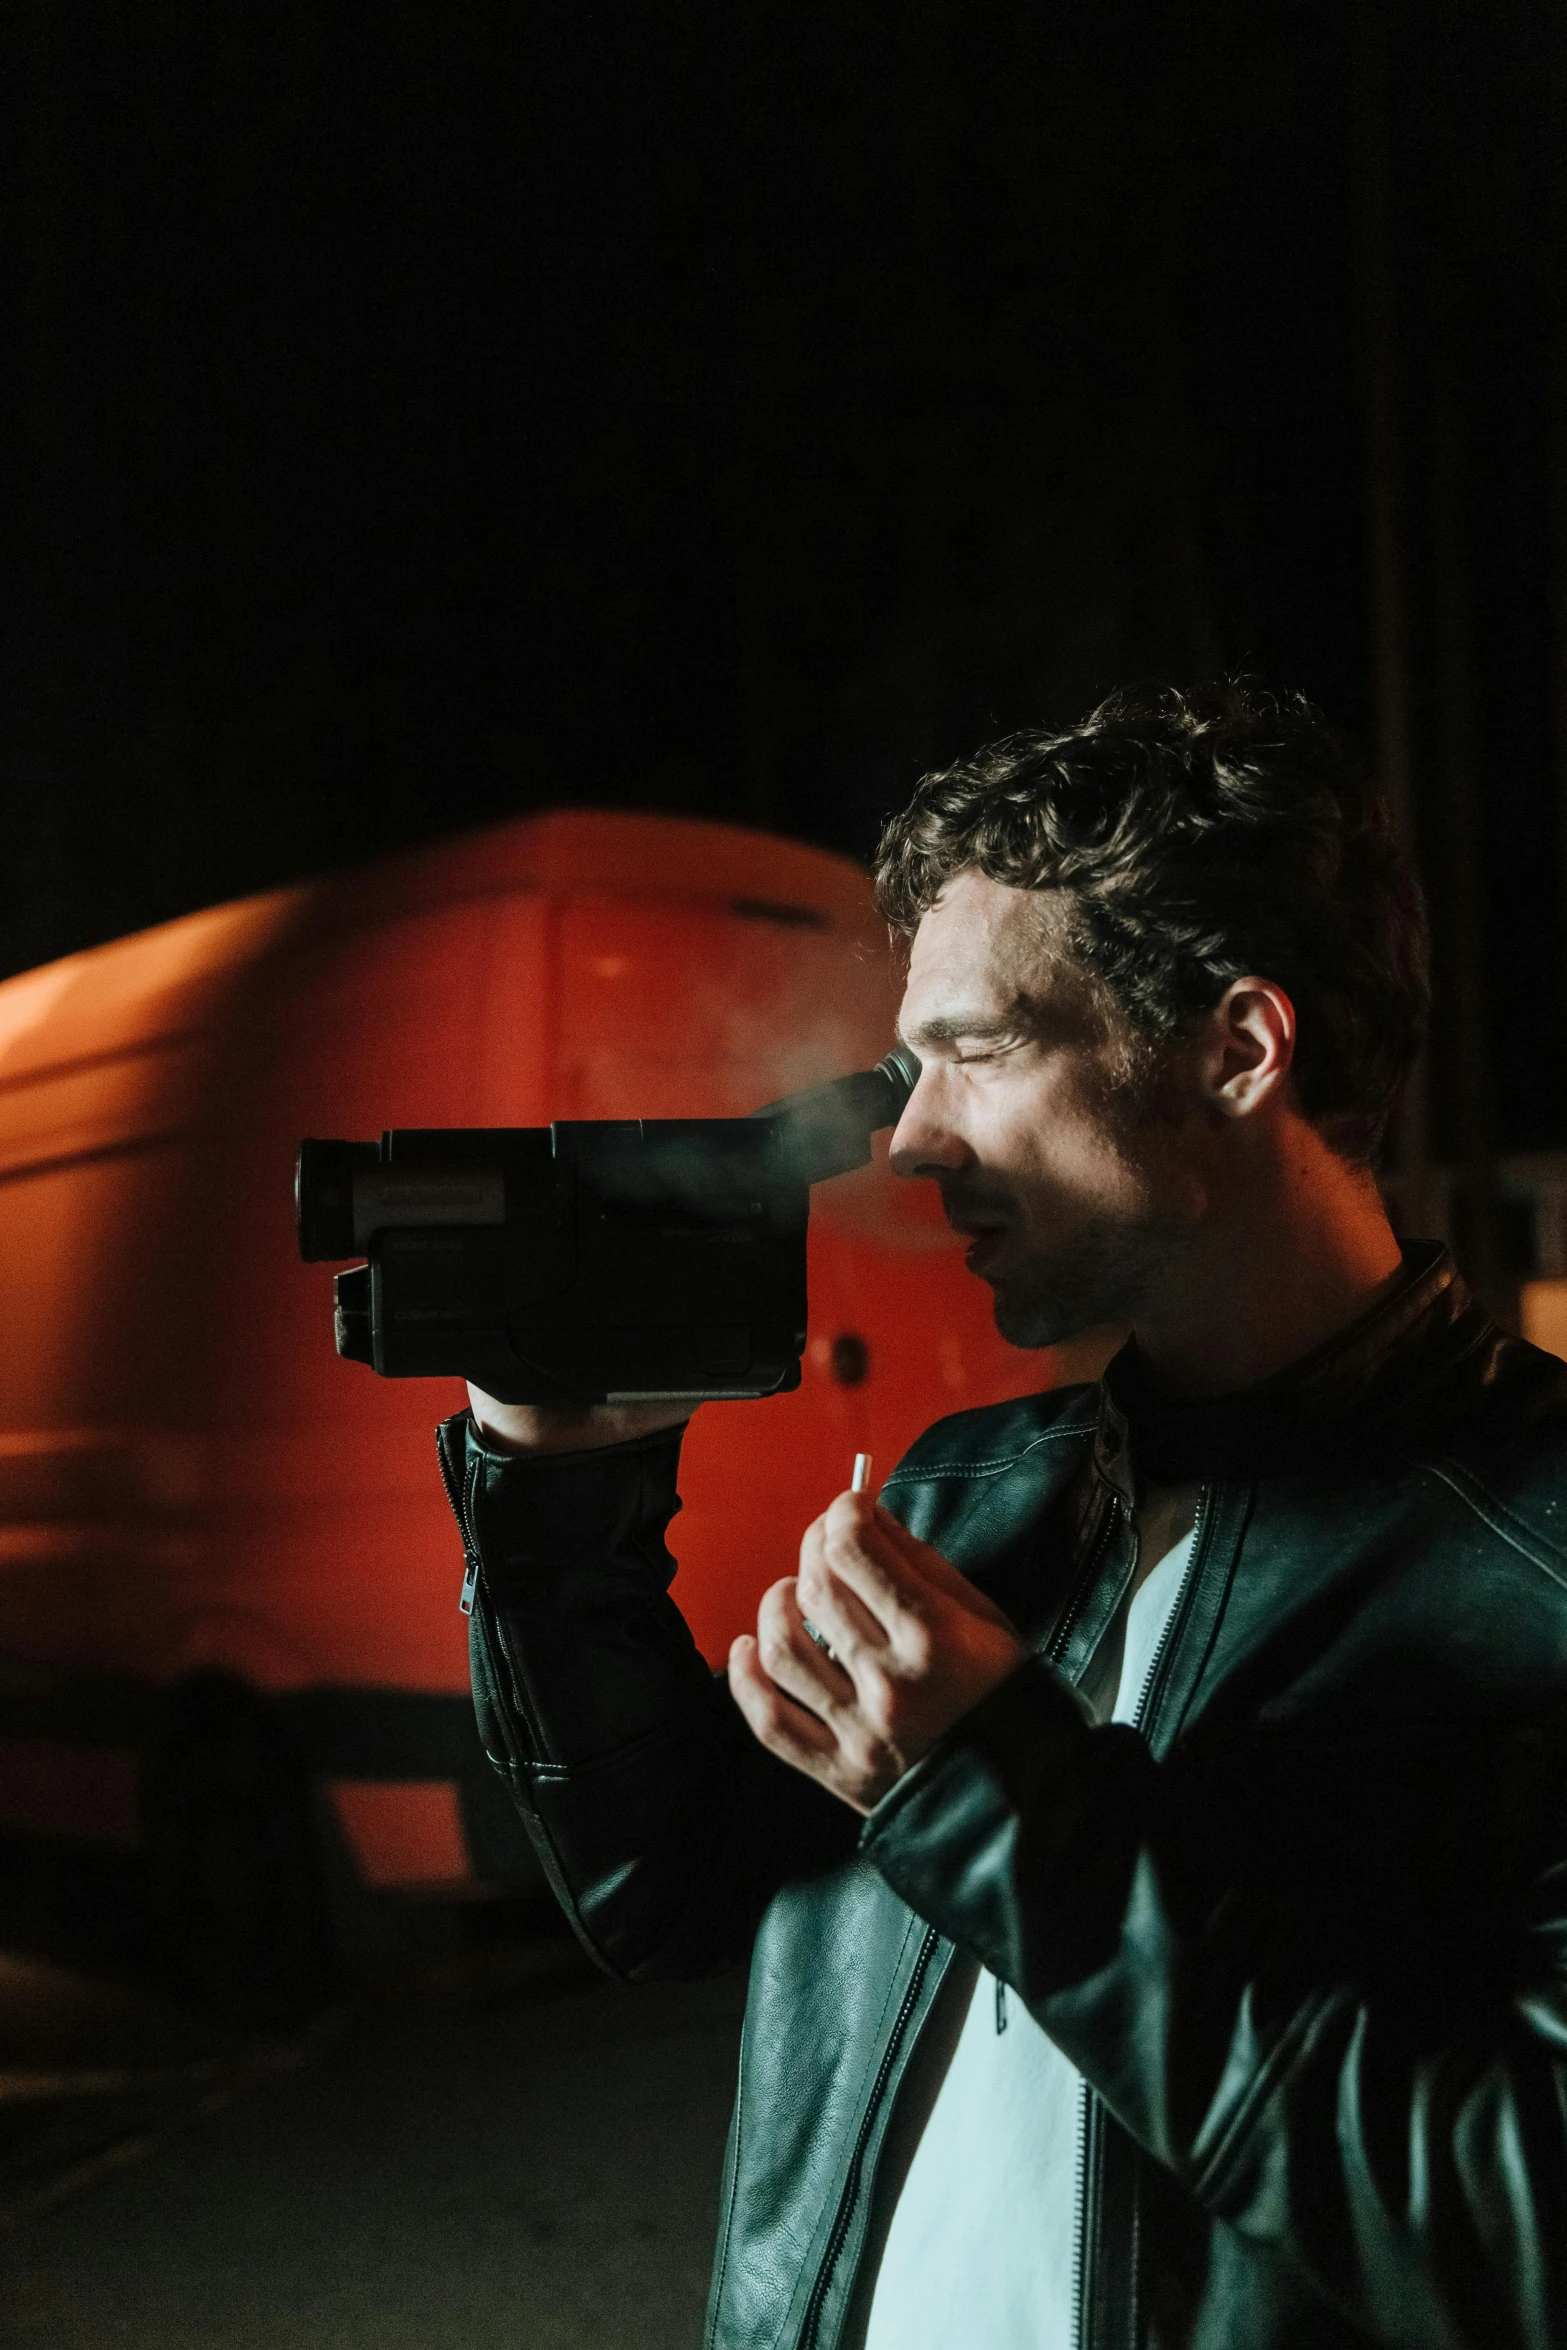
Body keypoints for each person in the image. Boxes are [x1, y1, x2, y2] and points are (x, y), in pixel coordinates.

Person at [437, 680, 1567, 2349]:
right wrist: (552, 1486)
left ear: (1238, 1048)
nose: (906, 1137)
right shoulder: (976, 1485)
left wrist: (993, 1794)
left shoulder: (1533, 1558)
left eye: (977, 1051)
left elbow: (1517, 2227)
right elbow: (662, 1895)